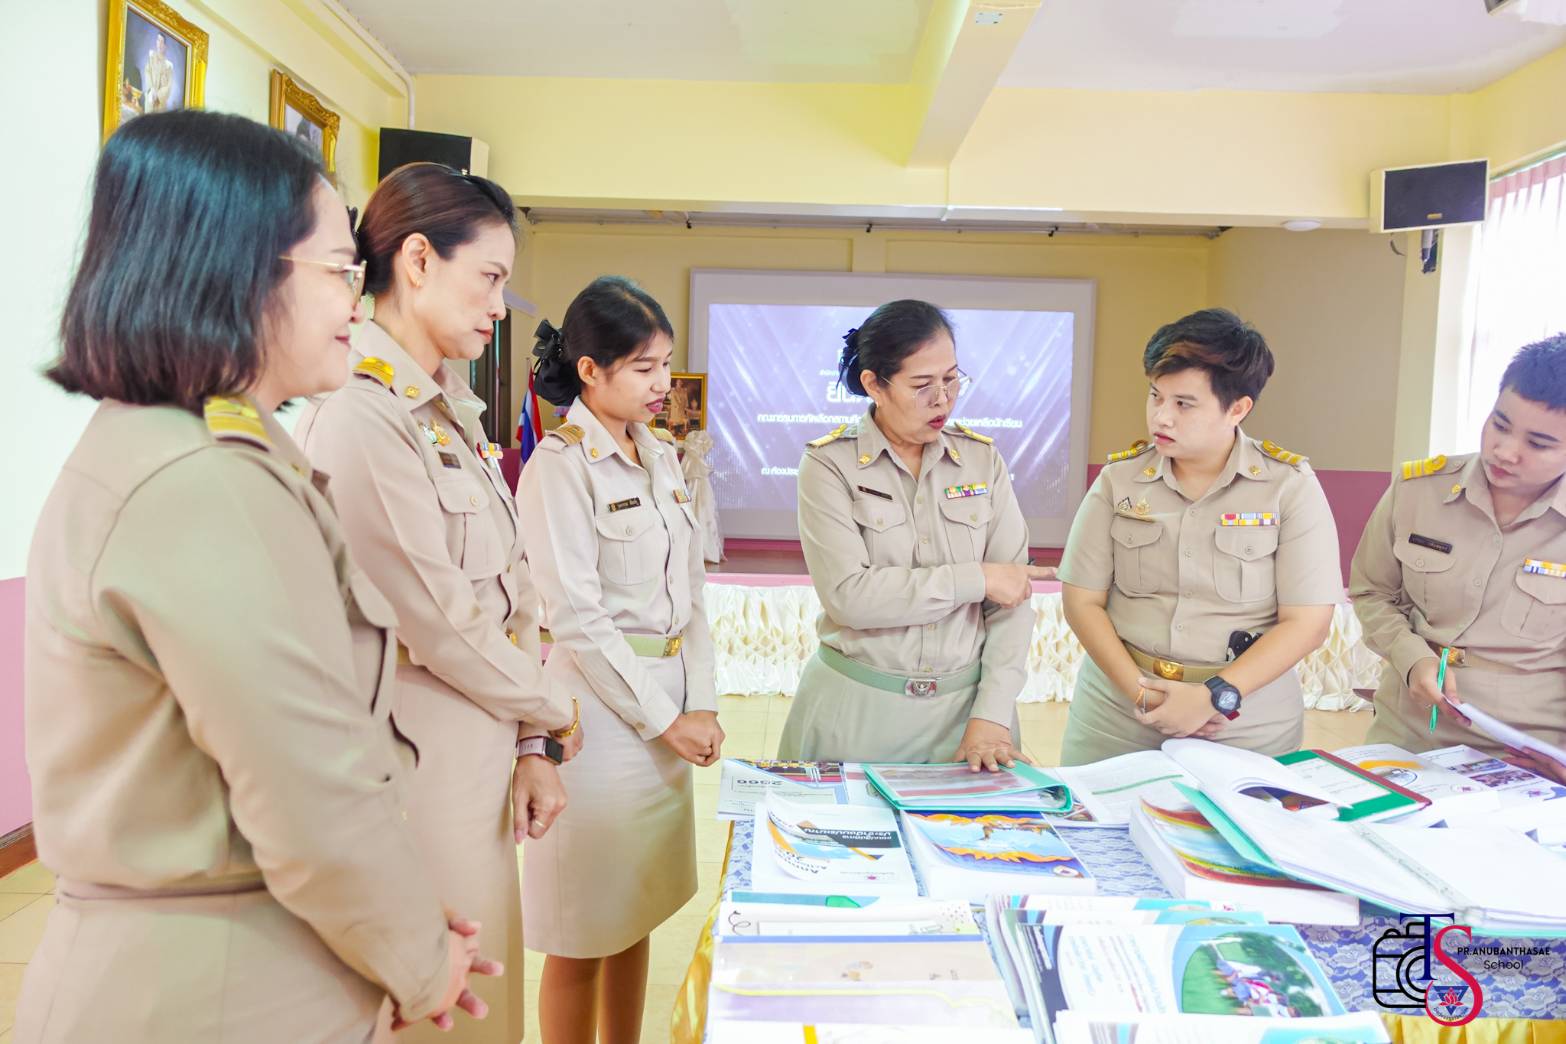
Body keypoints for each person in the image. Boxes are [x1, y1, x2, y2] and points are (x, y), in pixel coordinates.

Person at [16, 110, 491, 1043]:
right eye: (338, 271)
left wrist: (397, 926)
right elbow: (311, 794)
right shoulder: (202, 480)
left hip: (243, 960)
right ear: (236, 271)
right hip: (212, 990)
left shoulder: (198, 447)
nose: (357, 302)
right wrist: (418, 959)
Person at [294, 161, 581, 1044]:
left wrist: (532, 744)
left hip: (484, 761)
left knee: (490, 1010)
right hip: (418, 775)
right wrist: (555, 707)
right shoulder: (361, 415)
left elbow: (514, 596)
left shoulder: (450, 410)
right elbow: (442, 619)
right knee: (441, 1015)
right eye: (488, 278)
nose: (500, 307)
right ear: (418, 260)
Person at [519, 276, 721, 1044]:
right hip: (598, 720)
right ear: (590, 371)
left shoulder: (662, 454)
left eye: (665, 364)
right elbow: (576, 617)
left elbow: (692, 594)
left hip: (666, 707)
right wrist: (667, 719)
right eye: (644, 367)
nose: (663, 383)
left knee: (636, 914)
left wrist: (701, 703)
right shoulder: (562, 466)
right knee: (583, 929)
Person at [1056, 308, 1341, 765]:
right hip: (1120, 711)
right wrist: (1143, 694)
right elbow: (1081, 601)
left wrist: (1213, 697)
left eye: (1183, 404)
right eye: (1155, 396)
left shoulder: (1288, 487)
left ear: (1238, 409)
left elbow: (1307, 622)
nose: (1161, 417)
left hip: (1241, 720)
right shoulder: (1119, 480)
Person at [776, 299, 1052, 768]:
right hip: (857, 709)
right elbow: (851, 598)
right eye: (922, 385)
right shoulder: (829, 464)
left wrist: (992, 714)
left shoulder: (982, 460)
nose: (942, 399)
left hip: (970, 720)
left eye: (952, 379)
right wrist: (978, 578)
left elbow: (1011, 600)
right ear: (874, 385)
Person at [1350, 334, 1566, 778]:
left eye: (1539, 444)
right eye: (1500, 424)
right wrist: (1411, 654)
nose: (1505, 452)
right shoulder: (1418, 490)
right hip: (1407, 736)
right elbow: (1372, 591)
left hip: (1528, 756)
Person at [141, 34, 174, 113]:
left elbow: (169, 86)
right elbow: (147, 73)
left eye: (162, 42)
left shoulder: (169, 66)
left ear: (165, 46)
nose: (159, 43)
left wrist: (158, 96)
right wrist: (151, 90)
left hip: (160, 104)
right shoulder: (151, 59)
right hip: (150, 101)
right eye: (158, 40)